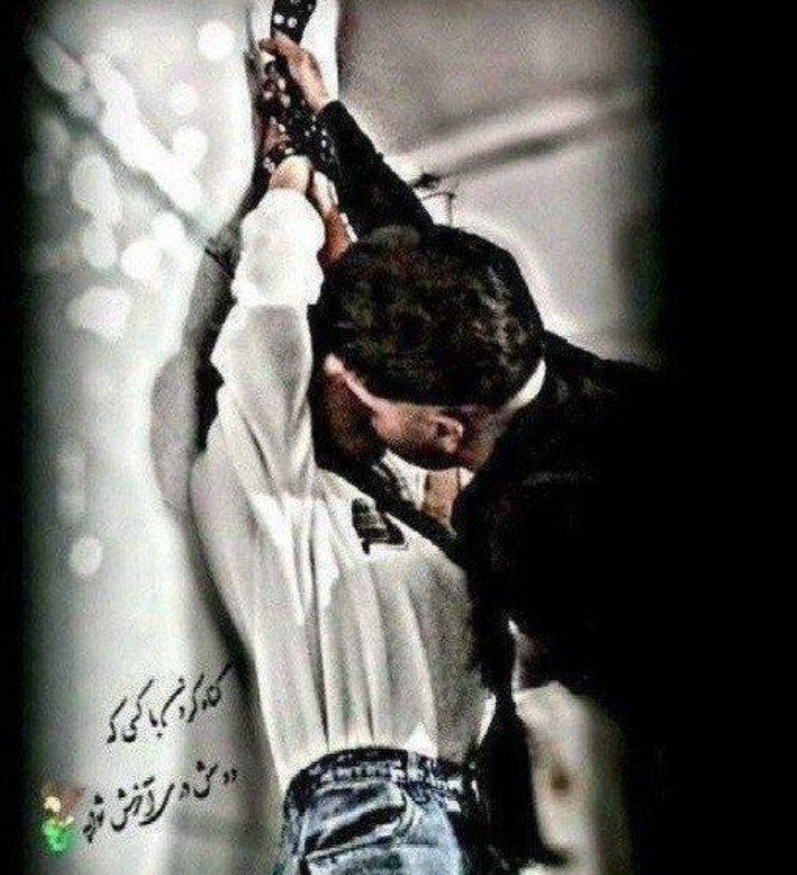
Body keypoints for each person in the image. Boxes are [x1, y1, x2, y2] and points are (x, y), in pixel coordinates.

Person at [188, 100, 533, 875]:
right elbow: (270, 311)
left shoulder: (410, 516)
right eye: (352, 363)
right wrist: (294, 177)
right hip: (379, 819)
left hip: (449, 826)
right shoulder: (281, 481)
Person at [312, 219, 685, 874]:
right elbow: (445, 279)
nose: (358, 410)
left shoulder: (523, 525)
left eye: (370, 407)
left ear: (445, 430)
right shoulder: (554, 368)